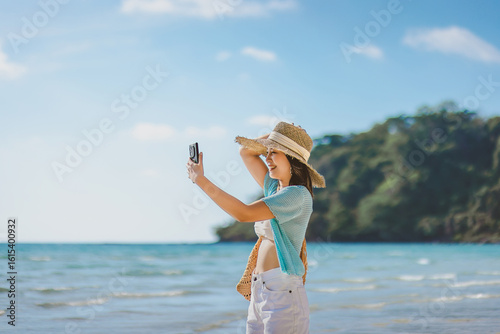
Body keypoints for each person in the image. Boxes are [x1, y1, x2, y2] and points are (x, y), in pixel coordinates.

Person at [186, 121, 326, 333]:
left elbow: (243, 213)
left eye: (274, 152)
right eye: (267, 152)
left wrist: (201, 180)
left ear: (292, 158)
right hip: (262, 288)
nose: (267, 158)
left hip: (282, 289)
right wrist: (278, 134)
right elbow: (246, 152)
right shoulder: (274, 188)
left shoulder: (296, 195)